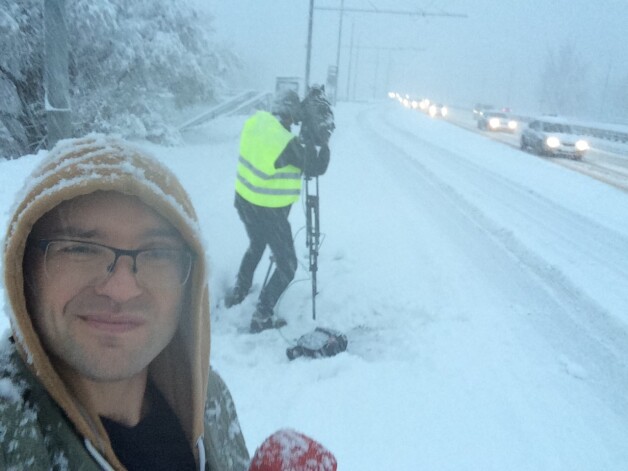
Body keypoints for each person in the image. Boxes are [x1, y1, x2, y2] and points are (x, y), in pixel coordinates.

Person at [0, 135, 250, 470]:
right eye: (80, 248)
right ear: (23, 272)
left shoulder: (208, 398)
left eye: (158, 253)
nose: (121, 289)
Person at [225, 89, 331, 333]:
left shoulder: (255, 122)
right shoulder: (286, 143)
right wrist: (323, 142)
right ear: (292, 113)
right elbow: (316, 166)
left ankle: (239, 293)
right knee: (288, 265)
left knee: (257, 244)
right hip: (269, 211)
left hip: (244, 201)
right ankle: (262, 315)